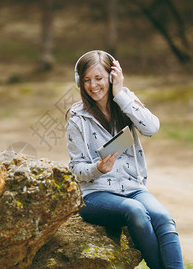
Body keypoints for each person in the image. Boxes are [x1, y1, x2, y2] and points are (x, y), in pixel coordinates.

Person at [65, 50, 184, 269]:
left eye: (99, 78)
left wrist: (120, 94)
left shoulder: (126, 101)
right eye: (87, 80)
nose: (93, 86)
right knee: (135, 211)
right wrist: (98, 168)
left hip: (133, 188)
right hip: (94, 195)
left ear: (111, 77)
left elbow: (152, 128)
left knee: (163, 218)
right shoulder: (76, 118)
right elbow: (75, 169)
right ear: (79, 82)